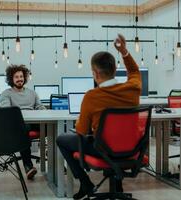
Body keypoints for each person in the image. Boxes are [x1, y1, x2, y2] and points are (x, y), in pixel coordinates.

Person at [56, 34, 142, 199]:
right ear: (115, 70)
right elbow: (134, 71)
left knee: (62, 139)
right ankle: (117, 183)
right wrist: (124, 51)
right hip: (131, 149)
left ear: (95, 73)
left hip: (103, 149)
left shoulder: (92, 96)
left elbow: (81, 131)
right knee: (110, 138)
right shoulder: (133, 88)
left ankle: (85, 183)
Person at [0, 64, 46, 180]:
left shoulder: (32, 93)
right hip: (18, 125)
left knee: (54, 127)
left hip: (34, 122)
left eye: (21, 76)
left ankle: (56, 164)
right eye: (16, 77)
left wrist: (45, 112)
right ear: (11, 79)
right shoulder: (6, 93)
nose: (20, 79)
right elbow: (6, 111)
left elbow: (39, 106)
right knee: (23, 129)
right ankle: (28, 166)